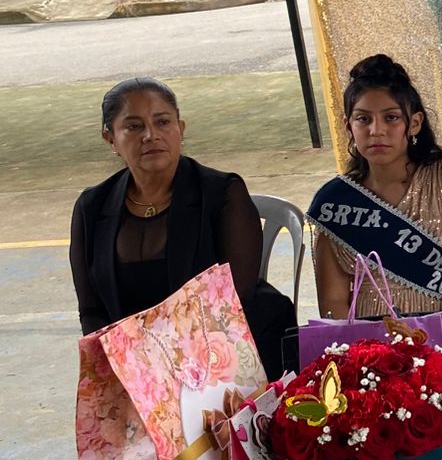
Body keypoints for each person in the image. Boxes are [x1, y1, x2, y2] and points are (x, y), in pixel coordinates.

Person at [70, 78, 297, 376]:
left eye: (162, 122)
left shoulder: (223, 193)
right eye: (134, 126)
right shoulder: (91, 207)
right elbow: (92, 311)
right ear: (110, 139)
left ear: (180, 128)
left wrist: (165, 369)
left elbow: (231, 301)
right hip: (138, 366)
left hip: (225, 355)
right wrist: (127, 368)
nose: (151, 135)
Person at [310, 55, 442, 357]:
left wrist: (429, 335)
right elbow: (334, 302)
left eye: (390, 118)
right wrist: (366, 353)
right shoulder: (335, 203)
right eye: (363, 119)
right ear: (348, 127)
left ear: (413, 123)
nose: (376, 130)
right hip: (368, 346)